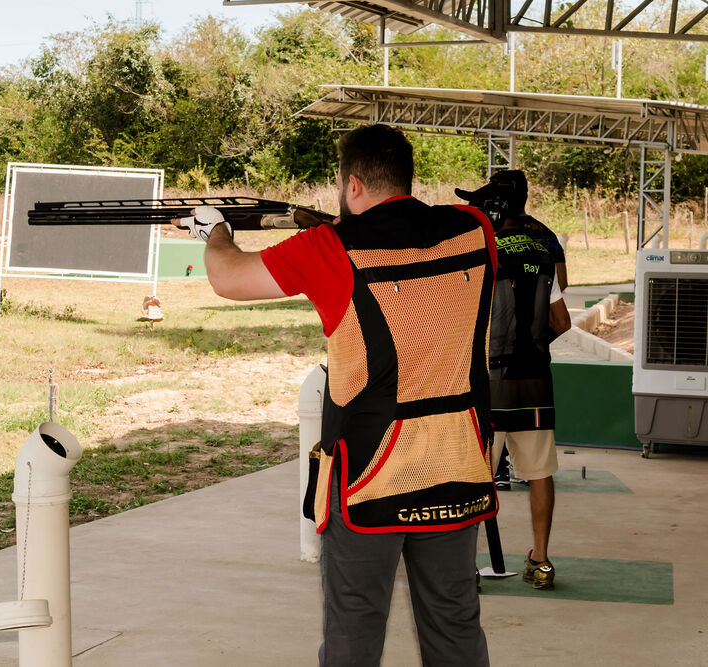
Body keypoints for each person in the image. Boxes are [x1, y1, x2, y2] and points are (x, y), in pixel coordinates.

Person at [175, 124, 497, 666]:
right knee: (455, 621)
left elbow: (229, 278)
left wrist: (217, 230)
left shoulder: (331, 249)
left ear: (351, 184)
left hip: (370, 473)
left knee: (354, 625)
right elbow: (409, 241)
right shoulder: (474, 229)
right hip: (456, 461)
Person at [456, 170, 572, 590]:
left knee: (473, 476)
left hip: (486, 384)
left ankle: (464, 566)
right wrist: (534, 343)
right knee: (540, 472)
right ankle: (540, 562)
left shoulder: (480, 250)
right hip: (535, 381)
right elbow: (561, 320)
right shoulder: (542, 247)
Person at [492, 184, 568, 490]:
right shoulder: (546, 236)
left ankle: (499, 469)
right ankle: (540, 541)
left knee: (476, 468)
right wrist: (533, 337)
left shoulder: (488, 246)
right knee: (540, 472)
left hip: (494, 368)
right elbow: (562, 288)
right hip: (535, 370)